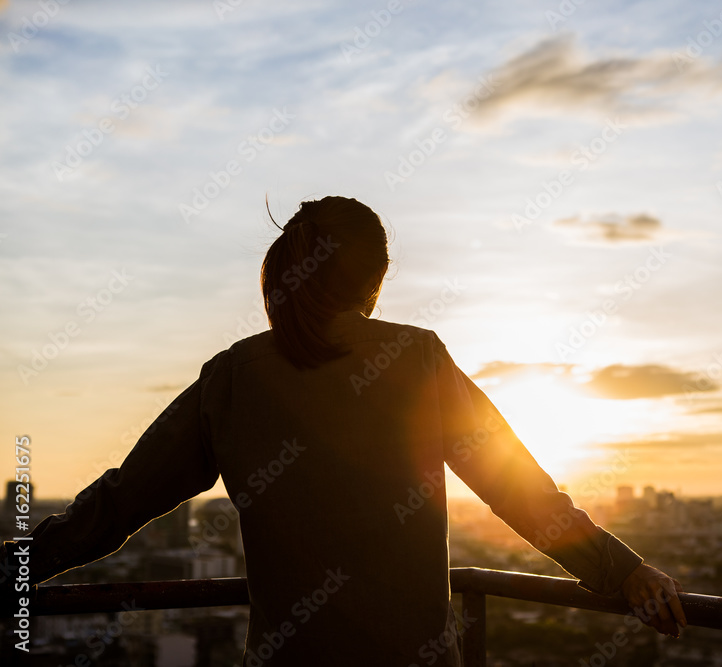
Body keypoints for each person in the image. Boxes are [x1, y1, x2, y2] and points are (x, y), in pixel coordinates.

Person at [0, 196, 686, 665]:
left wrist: (19, 564)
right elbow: (523, 495)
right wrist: (623, 571)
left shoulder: (234, 375)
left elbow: (119, 503)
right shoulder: (416, 358)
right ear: (377, 278)